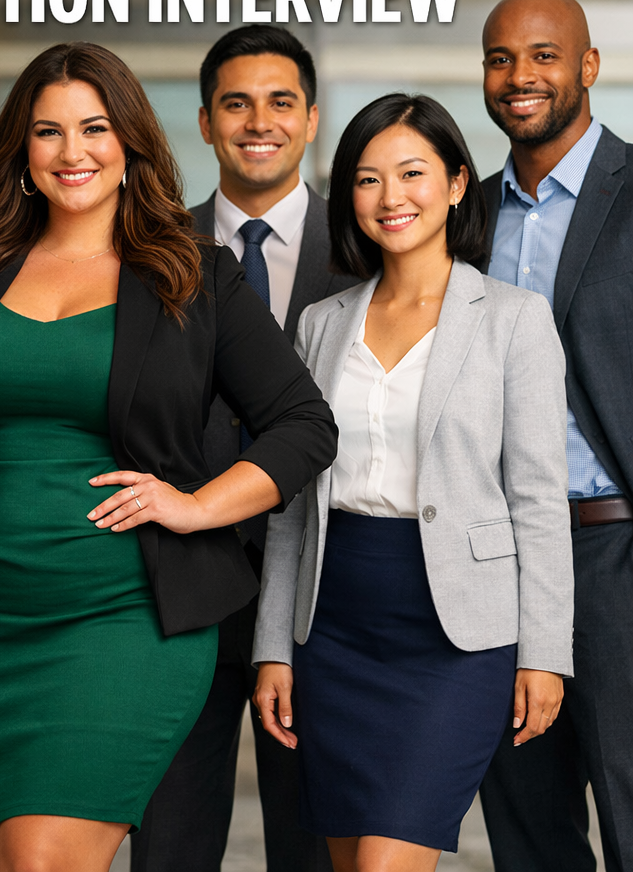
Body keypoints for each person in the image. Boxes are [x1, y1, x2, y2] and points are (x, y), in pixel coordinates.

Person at [0, 41, 339, 872]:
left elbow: (303, 424)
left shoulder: (193, 273)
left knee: (41, 860)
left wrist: (194, 505)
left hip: (123, 620)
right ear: (22, 149)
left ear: (130, 142)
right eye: (48, 132)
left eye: (94, 128)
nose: (72, 151)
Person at [252, 93, 575, 872]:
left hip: (456, 634)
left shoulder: (513, 318)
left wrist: (546, 652)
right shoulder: (321, 324)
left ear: (458, 183)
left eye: (411, 173)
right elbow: (293, 507)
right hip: (333, 623)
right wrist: (272, 647)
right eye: (367, 179)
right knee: (345, 857)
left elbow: (538, 499)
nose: (390, 198)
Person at [133, 25, 356, 872]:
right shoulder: (147, 252)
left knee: (315, 845)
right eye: (236, 103)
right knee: (171, 842)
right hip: (179, 582)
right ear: (203, 122)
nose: (257, 121)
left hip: (323, 594)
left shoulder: (374, 247)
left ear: (310, 121)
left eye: (280, 103)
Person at [476, 0, 633, 872]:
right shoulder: (463, 215)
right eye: (501, 58)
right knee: (526, 826)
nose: (520, 75)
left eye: (543, 55)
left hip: (615, 553)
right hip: (498, 565)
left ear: (587, 68)